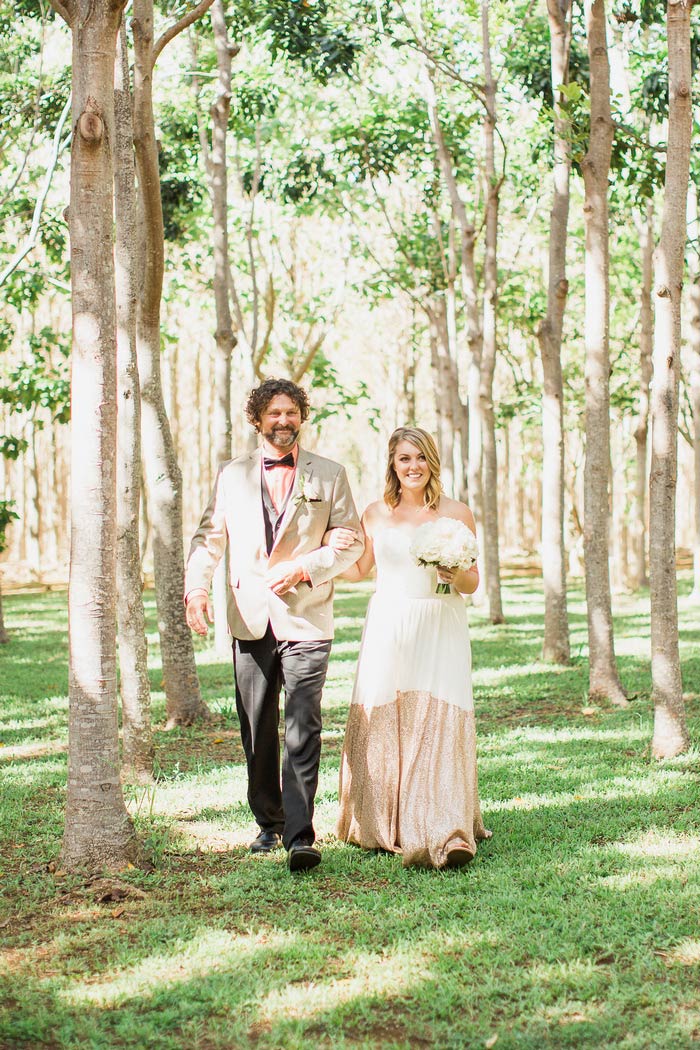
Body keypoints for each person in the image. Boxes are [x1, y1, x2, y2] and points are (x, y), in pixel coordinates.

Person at [184, 379, 364, 872]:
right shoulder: (231, 475)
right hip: (250, 616)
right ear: (257, 419)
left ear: (302, 417)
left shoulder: (329, 474)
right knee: (258, 727)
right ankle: (269, 822)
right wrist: (197, 586)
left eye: (291, 412)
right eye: (273, 413)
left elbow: (351, 541)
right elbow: (208, 538)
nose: (283, 421)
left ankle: (301, 835)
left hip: (307, 615)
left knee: (303, 725)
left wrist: (306, 565)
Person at [329, 426, 489, 869]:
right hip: (389, 622)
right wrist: (331, 546)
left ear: (431, 461)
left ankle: (446, 828)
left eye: (420, 457)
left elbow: (473, 582)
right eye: (404, 459)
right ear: (392, 465)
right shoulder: (376, 513)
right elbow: (359, 570)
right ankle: (381, 822)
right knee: (388, 714)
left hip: (441, 622)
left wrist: (451, 571)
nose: (413, 466)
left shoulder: (457, 513)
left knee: (440, 713)